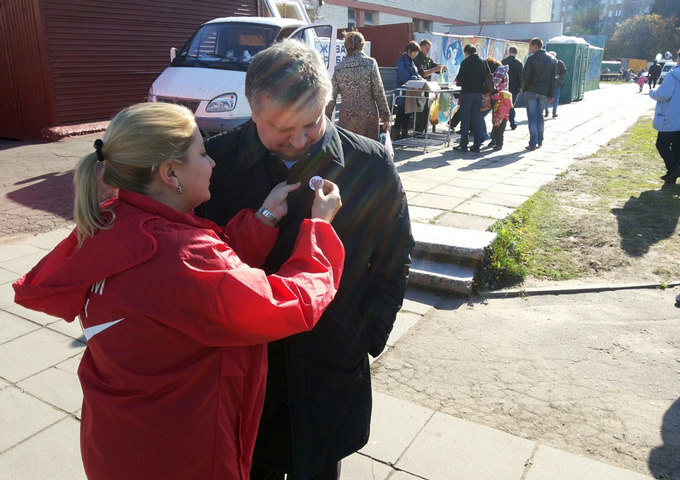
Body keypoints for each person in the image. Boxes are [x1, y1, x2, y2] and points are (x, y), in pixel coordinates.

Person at [11, 102, 345, 480]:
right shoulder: (180, 258)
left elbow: (206, 286)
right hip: (184, 454)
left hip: (121, 442)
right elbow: (289, 304)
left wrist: (263, 219)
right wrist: (319, 228)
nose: (213, 163)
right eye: (202, 153)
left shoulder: (113, 224)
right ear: (170, 173)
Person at [195, 39, 414, 480]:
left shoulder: (368, 166)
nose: (298, 140)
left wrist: (366, 335)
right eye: (281, 127)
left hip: (330, 366)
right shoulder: (213, 166)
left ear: (329, 103)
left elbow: (395, 256)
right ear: (252, 110)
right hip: (243, 372)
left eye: (312, 123)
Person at [325, 31, 391, 140]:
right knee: (369, 151)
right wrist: (386, 117)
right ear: (362, 45)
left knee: (349, 151)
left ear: (346, 47)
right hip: (368, 117)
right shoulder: (370, 63)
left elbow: (331, 97)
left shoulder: (339, 67)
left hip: (347, 118)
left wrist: (325, 120)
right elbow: (378, 92)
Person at [649, 52, 680, 184]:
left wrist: (652, 93)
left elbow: (664, 95)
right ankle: (672, 173)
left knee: (662, 144)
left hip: (671, 116)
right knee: (677, 146)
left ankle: (673, 169)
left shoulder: (673, 75)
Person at [522, 37, 556, 151]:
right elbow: (553, 79)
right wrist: (551, 95)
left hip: (532, 91)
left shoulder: (531, 59)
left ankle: (533, 142)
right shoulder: (552, 59)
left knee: (532, 117)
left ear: (535, 46)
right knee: (540, 115)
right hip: (544, 92)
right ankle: (540, 140)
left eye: (531, 46)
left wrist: (524, 89)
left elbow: (526, 76)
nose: (530, 49)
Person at [453, 43, 485, 153]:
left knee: (465, 119)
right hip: (478, 94)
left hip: (467, 93)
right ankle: (476, 145)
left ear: (466, 53)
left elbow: (460, 78)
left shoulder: (466, 62)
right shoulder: (482, 62)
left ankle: (464, 144)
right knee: (475, 120)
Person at [393, 40, 423, 140]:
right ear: (410, 51)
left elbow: (416, 74)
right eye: (415, 52)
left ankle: (404, 134)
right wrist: (416, 78)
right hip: (403, 91)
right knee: (401, 113)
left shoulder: (411, 61)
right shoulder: (402, 61)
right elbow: (404, 77)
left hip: (410, 91)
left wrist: (419, 78)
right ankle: (397, 134)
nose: (416, 54)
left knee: (407, 113)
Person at [414, 38, 445, 133]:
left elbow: (434, 65)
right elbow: (422, 73)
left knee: (426, 110)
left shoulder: (427, 59)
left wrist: (442, 68)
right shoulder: (417, 59)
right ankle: (418, 131)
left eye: (429, 49)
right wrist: (435, 69)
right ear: (421, 47)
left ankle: (423, 131)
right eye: (427, 49)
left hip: (427, 88)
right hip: (420, 88)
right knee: (420, 111)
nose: (428, 51)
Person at [501, 45, 523, 130]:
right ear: (516, 53)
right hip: (514, 89)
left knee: (504, 105)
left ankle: (505, 121)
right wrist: (520, 87)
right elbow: (520, 76)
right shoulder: (518, 63)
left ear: (509, 52)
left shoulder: (503, 61)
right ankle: (512, 123)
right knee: (511, 105)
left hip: (504, 88)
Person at [544, 51, 567, 118]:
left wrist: (559, 75)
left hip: (557, 83)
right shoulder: (546, 63)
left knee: (556, 98)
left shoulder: (559, 63)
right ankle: (546, 111)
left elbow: (564, 71)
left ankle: (554, 112)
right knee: (547, 98)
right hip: (548, 84)